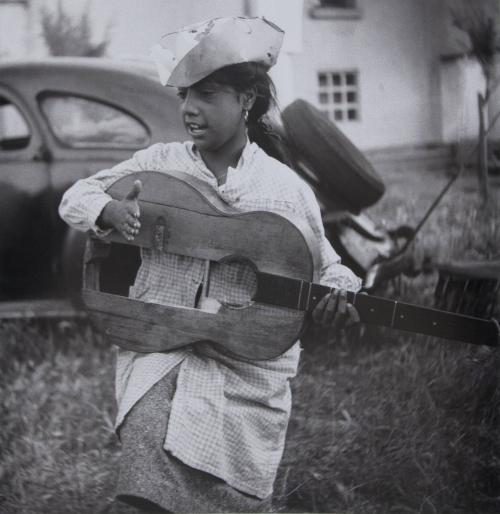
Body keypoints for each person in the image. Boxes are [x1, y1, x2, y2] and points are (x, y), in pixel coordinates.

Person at [59, 16, 362, 514]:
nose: (189, 109)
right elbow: (77, 196)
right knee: (140, 496)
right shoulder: (161, 164)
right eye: (183, 96)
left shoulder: (284, 189)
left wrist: (339, 294)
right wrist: (109, 210)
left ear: (246, 100)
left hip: (247, 373)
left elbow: (330, 266)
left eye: (205, 95)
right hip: (162, 350)